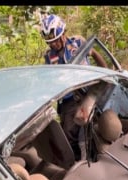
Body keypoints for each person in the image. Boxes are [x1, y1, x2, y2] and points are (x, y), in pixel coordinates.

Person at [40, 13, 107, 161]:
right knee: (68, 135)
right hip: (68, 101)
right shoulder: (49, 57)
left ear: (63, 33)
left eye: (55, 40)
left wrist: (106, 72)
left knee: (94, 128)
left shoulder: (77, 42)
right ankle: (77, 164)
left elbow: (95, 54)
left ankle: (93, 159)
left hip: (89, 92)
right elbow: (48, 80)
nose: (53, 44)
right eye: (50, 42)